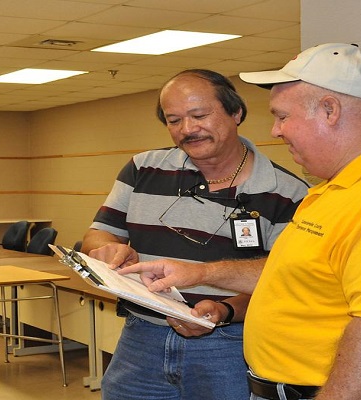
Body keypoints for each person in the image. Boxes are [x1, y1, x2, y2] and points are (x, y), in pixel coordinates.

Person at [119, 43, 361, 400]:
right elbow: (290, 271)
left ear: (329, 110)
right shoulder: (336, 189)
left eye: (282, 116)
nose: (275, 131)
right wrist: (199, 273)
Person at [81, 68, 309, 400]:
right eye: (174, 121)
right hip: (140, 338)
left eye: (199, 115)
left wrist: (225, 310)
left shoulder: (288, 193)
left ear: (236, 113)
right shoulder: (143, 169)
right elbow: (99, 234)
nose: (188, 129)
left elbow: (283, 283)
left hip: (229, 344)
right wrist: (106, 252)